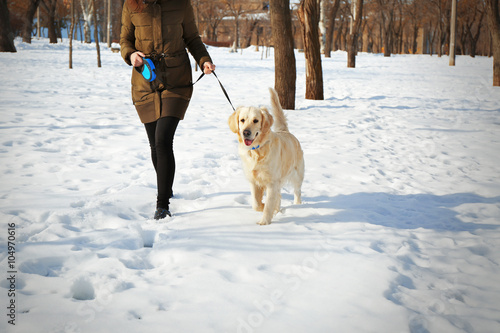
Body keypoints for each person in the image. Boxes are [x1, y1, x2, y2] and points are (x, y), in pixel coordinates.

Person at [120, 0, 215, 220]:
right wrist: (131, 54)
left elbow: (192, 38)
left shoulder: (181, 3)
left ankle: (162, 204)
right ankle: (166, 186)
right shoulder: (131, 4)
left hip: (176, 79)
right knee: (155, 143)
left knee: (163, 139)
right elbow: (126, 40)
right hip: (146, 79)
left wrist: (204, 60)